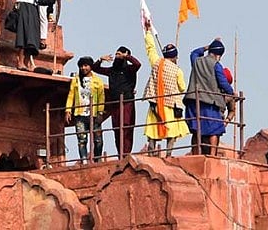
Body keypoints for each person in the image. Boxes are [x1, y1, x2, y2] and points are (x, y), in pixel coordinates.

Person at [141, 19, 189, 157]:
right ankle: (168, 155)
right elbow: (182, 87)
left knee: (153, 131)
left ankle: (151, 154)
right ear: (175, 57)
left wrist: (148, 31)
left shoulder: (156, 62)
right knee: (172, 132)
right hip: (171, 106)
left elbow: (150, 48)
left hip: (155, 104)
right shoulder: (177, 70)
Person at [183, 38, 233, 156]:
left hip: (193, 101)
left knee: (196, 130)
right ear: (219, 55)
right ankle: (212, 155)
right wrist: (231, 92)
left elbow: (194, 52)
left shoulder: (197, 61)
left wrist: (207, 47)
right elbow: (223, 83)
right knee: (214, 130)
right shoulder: (216, 65)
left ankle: (195, 154)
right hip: (209, 103)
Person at [92, 46, 142, 157]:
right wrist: (100, 60)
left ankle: (126, 154)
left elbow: (138, 64)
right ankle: (120, 154)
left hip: (127, 102)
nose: (117, 56)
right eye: (116, 54)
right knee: (117, 129)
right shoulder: (112, 70)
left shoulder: (130, 69)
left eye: (119, 54)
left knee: (127, 127)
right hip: (115, 104)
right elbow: (95, 69)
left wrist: (127, 56)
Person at [65, 56, 105, 164]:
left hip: (94, 114)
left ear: (90, 67)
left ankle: (97, 159)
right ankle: (84, 160)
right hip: (80, 114)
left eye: (86, 66)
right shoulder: (76, 80)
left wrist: (100, 112)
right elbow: (71, 95)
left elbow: (101, 97)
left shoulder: (98, 81)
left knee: (98, 140)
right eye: (81, 66)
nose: (83, 68)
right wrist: (68, 110)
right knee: (82, 139)